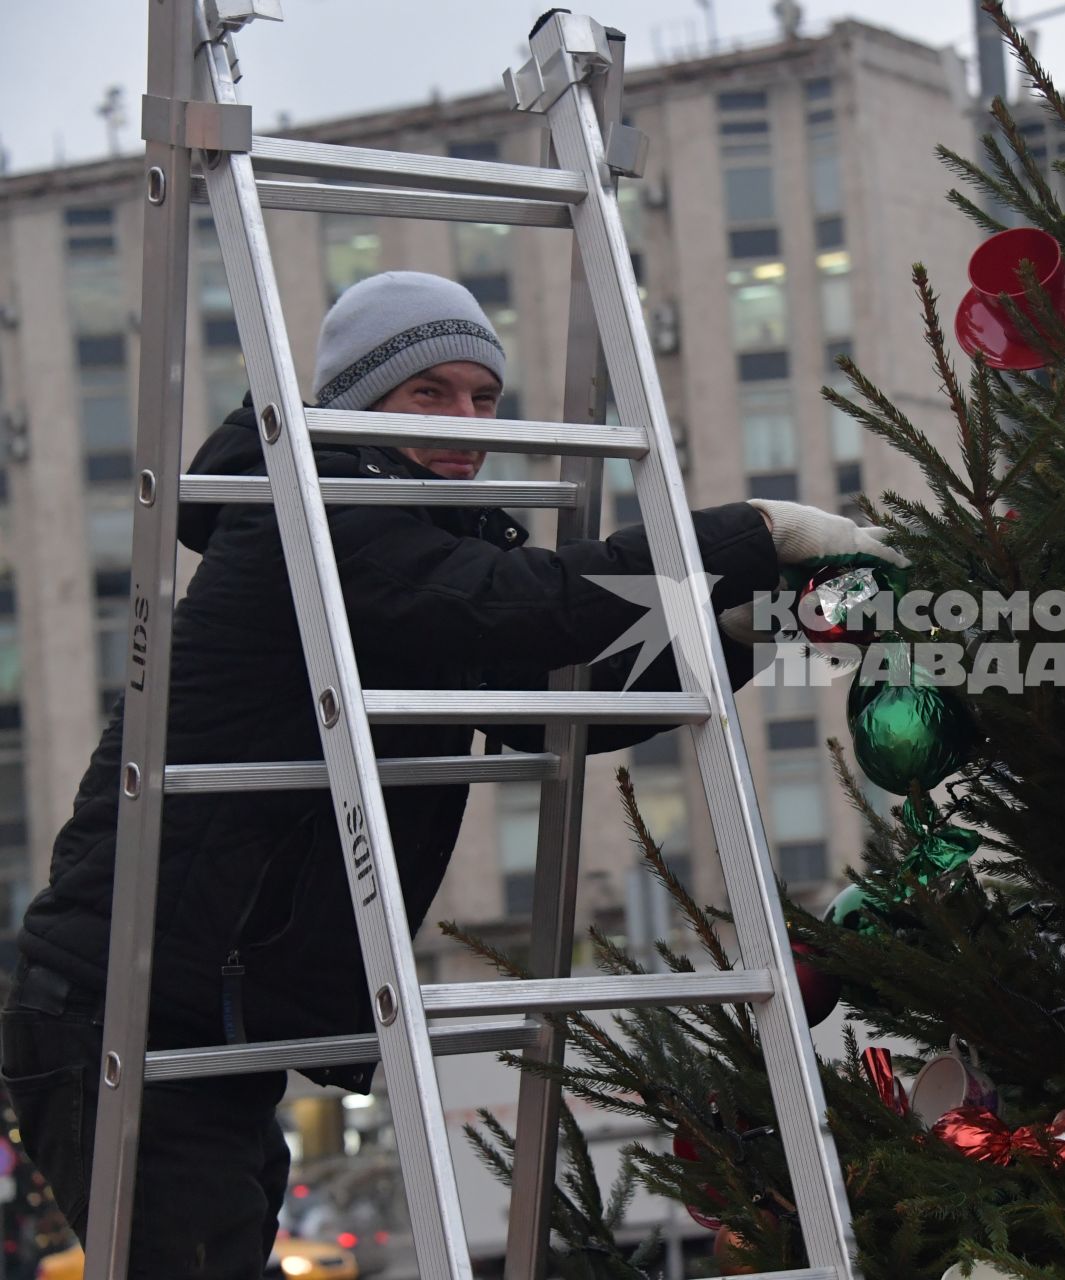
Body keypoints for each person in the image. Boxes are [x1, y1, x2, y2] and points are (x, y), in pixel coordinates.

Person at [1, 271, 897, 1277]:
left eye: (483, 396)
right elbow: (533, 607)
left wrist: (750, 632)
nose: (467, 421)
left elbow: (561, 689)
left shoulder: (421, 545)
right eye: (429, 393)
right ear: (353, 400)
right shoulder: (321, 514)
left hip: (200, 1008)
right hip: (113, 1005)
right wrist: (756, 534)